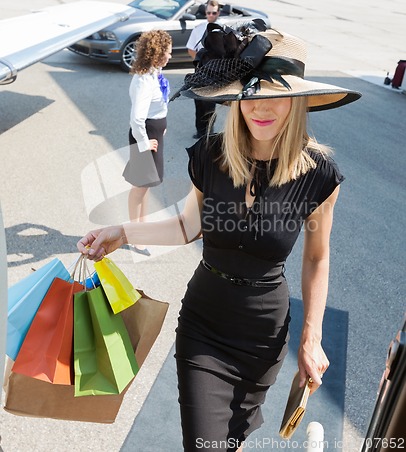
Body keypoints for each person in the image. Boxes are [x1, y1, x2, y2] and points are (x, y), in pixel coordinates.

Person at [78, 28, 361, 451]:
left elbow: (317, 259)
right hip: (204, 325)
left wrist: (312, 336)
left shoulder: (318, 174)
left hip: (264, 335)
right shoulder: (211, 155)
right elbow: (186, 226)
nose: (260, 108)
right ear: (236, 98)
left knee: (231, 441)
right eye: (251, 94)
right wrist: (123, 232)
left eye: (275, 94)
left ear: (299, 101)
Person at [122, 29, 172, 256]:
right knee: (139, 187)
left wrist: (163, 127)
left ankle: (142, 227)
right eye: (168, 53)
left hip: (154, 132)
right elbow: (137, 118)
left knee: (147, 185)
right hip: (145, 135)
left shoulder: (155, 74)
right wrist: (144, 143)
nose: (170, 56)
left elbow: (158, 107)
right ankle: (134, 235)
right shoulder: (143, 80)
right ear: (157, 53)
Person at [186, 0, 220, 139]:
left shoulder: (222, 30)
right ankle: (200, 131)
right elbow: (190, 49)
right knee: (198, 102)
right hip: (200, 70)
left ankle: (209, 132)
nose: (211, 15)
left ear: (218, 13)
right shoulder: (199, 29)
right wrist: (200, 61)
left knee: (209, 104)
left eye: (213, 13)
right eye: (208, 13)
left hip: (214, 72)